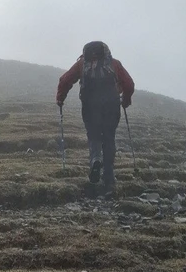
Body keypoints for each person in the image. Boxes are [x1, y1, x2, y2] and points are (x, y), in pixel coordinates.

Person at [56, 42, 135, 195]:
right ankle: (109, 177)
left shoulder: (82, 64)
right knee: (109, 137)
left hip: (90, 106)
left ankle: (95, 160)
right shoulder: (114, 64)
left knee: (93, 136)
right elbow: (129, 84)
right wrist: (126, 101)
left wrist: (60, 98)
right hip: (111, 105)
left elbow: (64, 80)